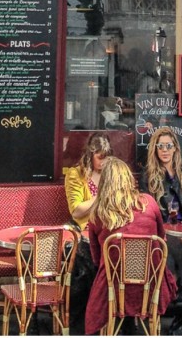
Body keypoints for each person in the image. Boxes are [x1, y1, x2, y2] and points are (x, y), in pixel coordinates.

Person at [85, 156, 177, 335]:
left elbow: (97, 259)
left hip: (114, 289)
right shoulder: (149, 203)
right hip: (150, 287)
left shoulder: (97, 214)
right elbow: (161, 239)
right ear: (129, 179)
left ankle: (117, 326)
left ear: (104, 182)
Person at [142, 127, 182, 306]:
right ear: (155, 149)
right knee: (166, 245)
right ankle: (176, 299)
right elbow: (148, 210)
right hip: (162, 231)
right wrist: (165, 231)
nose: (165, 150)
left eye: (168, 146)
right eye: (161, 146)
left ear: (175, 148)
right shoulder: (148, 176)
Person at [65, 133, 113, 336]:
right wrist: (100, 195)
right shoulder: (77, 174)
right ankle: (87, 322)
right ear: (90, 155)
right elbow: (76, 210)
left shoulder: (113, 173)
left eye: (107, 156)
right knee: (87, 265)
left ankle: (115, 319)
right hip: (85, 229)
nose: (104, 161)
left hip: (110, 229)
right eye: (100, 156)